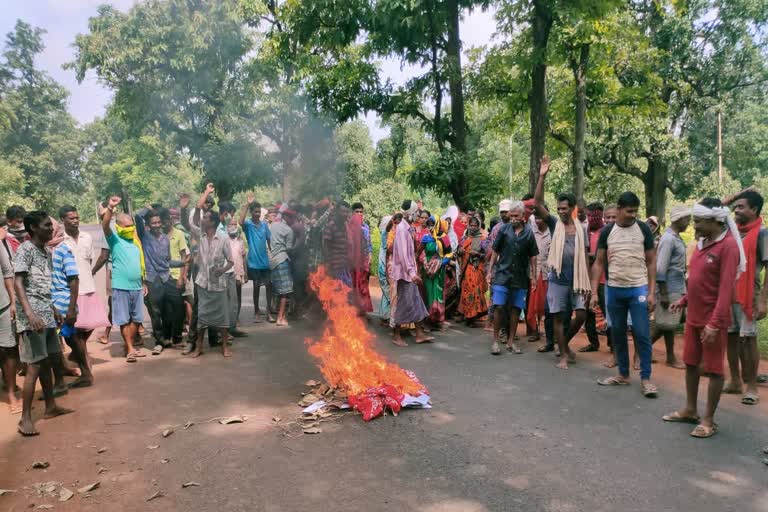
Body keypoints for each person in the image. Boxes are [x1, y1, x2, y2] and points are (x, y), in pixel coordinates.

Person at [662, 198, 744, 438]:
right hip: (694, 318)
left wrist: (715, 324)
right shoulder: (701, 244)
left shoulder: (727, 247)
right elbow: (698, 281)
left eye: (698, 221)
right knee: (690, 363)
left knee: (714, 370)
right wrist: (685, 300)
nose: (694, 225)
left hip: (713, 322)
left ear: (714, 221)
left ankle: (708, 419)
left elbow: (726, 289)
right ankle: (690, 409)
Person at [591, 192, 658, 398]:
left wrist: (651, 292)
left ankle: (646, 378)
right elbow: (599, 262)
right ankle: (623, 374)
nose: (633, 215)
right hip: (614, 289)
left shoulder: (643, 229)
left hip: (637, 289)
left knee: (641, 333)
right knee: (617, 333)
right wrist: (594, 291)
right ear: (619, 209)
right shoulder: (607, 231)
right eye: (629, 211)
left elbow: (651, 262)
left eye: (636, 211)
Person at [15, 211, 74, 436]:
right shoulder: (25, 250)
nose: (52, 229)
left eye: (51, 225)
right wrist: (29, 313)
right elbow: (19, 283)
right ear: (33, 228)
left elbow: (42, 286)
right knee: (34, 366)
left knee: (49, 361)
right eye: (47, 225)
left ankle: (51, 407)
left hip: (46, 315)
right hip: (32, 319)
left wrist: (53, 309)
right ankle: (25, 419)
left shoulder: (47, 252)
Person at [534, 156, 591, 369]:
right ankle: (564, 355)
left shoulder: (580, 229)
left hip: (576, 280)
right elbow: (538, 204)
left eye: (564, 208)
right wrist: (542, 176)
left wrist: (586, 282)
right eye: (559, 208)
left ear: (573, 208)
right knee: (557, 317)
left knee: (582, 315)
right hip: (557, 279)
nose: (561, 211)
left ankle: (563, 345)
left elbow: (584, 256)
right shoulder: (554, 224)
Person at [58, 206, 110, 387]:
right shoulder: (59, 241)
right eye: (70, 218)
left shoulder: (87, 238)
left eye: (77, 217)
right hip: (70, 292)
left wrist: (89, 275)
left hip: (88, 287)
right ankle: (85, 368)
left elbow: (88, 260)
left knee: (88, 327)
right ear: (62, 220)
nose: (75, 221)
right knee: (71, 334)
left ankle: (82, 362)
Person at [724, 190, 767, 405]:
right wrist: (731, 199)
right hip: (728, 293)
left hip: (749, 293)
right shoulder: (731, 230)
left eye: (741, 207)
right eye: (735, 206)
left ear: (754, 210)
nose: (736, 210)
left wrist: (763, 300)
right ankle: (734, 381)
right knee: (731, 336)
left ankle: (751, 387)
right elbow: (712, 210)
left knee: (748, 339)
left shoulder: (762, 233)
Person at [488, 201, 538, 355]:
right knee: (499, 307)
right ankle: (495, 341)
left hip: (520, 277)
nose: (513, 218)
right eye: (511, 216)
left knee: (516, 309)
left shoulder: (529, 233)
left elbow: (533, 256)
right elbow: (495, 252)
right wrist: (490, 271)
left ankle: (510, 342)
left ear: (523, 216)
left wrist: (534, 276)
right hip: (502, 275)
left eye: (516, 216)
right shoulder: (504, 230)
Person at [102, 196, 147, 364]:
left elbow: (140, 263)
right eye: (127, 226)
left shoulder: (136, 241)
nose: (130, 228)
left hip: (136, 286)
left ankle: (130, 346)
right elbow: (105, 225)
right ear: (119, 227)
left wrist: (143, 282)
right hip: (121, 286)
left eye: (131, 226)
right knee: (124, 320)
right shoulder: (114, 239)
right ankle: (129, 348)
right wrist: (110, 208)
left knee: (137, 319)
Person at [191, 187, 234, 358]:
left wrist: (222, 270)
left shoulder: (223, 238)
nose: (203, 219)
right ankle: (199, 347)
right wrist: (206, 193)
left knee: (222, 317)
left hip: (218, 283)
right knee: (202, 316)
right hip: (203, 282)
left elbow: (231, 261)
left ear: (213, 222)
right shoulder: (200, 234)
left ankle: (225, 346)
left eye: (206, 218)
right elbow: (195, 214)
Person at [651, 205, 691, 370]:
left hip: (677, 286)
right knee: (664, 324)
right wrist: (665, 293)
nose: (689, 222)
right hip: (670, 288)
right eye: (687, 219)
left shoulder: (675, 237)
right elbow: (661, 268)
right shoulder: (668, 239)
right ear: (680, 219)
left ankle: (670, 356)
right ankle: (641, 349)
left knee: (670, 323)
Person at [391, 200, 434, 346]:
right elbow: (403, 255)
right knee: (405, 303)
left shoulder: (407, 227)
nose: (418, 214)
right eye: (416, 211)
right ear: (410, 212)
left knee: (416, 302)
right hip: (405, 275)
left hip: (409, 273)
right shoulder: (402, 229)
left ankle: (419, 334)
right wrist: (411, 274)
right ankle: (397, 336)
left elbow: (410, 254)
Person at [136, 209, 174, 355]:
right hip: (152, 279)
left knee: (169, 311)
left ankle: (167, 338)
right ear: (148, 225)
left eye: (159, 222)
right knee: (155, 312)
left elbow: (168, 260)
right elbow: (137, 217)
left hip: (166, 277)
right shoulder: (144, 237)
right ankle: (159, 341)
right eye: (154, 223)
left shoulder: (165, 238)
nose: (157, 225)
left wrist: (184, 263)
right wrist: (149, 209)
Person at [240, 193, 272, 323]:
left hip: (265, 261)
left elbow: (269, 240)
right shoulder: (248, 225)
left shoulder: (264, 225)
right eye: (255, 212)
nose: (258, 214)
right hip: (253, 262)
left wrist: (272, 253)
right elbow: (240, 222)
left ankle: (269, 312)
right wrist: (247, 204)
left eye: (259, 211)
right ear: (251, 212)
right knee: (256, 286)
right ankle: (256, 311)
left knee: (269, 286)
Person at [161, 208, 189, 346]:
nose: (164, 224)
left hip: (175, 275)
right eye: (162, 222)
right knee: (165, 309)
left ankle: (177, 337)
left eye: (166, 221)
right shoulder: (159, 235)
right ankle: (166, 337)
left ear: (171, 220)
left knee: (178, 308)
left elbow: (184, 256)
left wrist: (182, 276)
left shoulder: (179, 234)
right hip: (161, 277)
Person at [582, 202, 608, 352]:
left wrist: (591, 256)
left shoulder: (606, 231)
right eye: (589, 215)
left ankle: (613, 345)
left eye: (593, 215)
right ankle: (593, 343)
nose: (591, 218)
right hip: (588, 279)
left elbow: (603, 256)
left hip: (604, 279)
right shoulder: (586, 231)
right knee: (588, 313)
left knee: (607, 313)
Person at [0, 230, 18, 413]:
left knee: (8, 350)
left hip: (3, 304)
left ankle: (12, 393)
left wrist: (13, 301)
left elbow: (7, 272)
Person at [528, 213, 553, 349]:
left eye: (540, 217)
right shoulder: (532, 233)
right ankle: (535, 331)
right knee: (534, 305)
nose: (538, 220)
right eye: (536, 218)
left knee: (548, 306)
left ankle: (551, 335)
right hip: (535, 273)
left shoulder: (553, 232)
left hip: (549, 274)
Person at [458, 216, 488, 327]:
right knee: (467, 292)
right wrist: (461, 251)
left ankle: (473, 316)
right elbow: (459, 251)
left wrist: (477, 254)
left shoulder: (483, 239)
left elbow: (487, 255)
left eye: (475, 225)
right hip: (466, 269)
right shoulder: (465, 238)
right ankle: (467, 316)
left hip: (476, 268)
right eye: (471, 225)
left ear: (479, 226)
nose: (473, 227)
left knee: (475, 292)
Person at [420, 216, 448, 328]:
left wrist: (440, 263)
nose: (430, 228)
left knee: (438, 293)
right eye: (429, 225)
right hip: (427, 271)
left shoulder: (444, 238)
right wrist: (425, 263)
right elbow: (418, 253)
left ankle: (437, 319)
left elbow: (449, 254)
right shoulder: (426, 238)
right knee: (429, 293)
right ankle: (429, 319)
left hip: (439, 271)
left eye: (433, 225)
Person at [269, 209, 295, 327]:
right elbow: (289, 249)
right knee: (285, 292)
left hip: (273, 261)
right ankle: (280, 318)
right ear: (287, 217)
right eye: (292, 218)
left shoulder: (273, 225)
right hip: (283, 260)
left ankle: (278, 315)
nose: (293, 220)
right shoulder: (289, 230)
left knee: (278, 291)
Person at [349, 203, 373, 315]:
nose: (359, 214)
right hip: (352, 260)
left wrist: (370, 258)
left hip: (363, 260)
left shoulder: (366, 227)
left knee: (363, 284)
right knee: (353, 284)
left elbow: (369, 244)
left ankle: (363, 309)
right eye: (357, 211)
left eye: (361, 212)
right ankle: (353, 309)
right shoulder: (348, 226)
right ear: (352, 213)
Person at [227, 219, 247, 328]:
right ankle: (229, 319)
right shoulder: (225, 240)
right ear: (227, 226)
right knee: (229, 297)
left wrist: (246, 273)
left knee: (238, 296)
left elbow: (243, 257)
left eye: (235, 224)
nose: (233, 226)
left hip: (239, 272)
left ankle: (236, 317)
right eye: (231, 224)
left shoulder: (240, 241)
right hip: (228, 273)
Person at [378, 215, 393, 323]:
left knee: (387, 293)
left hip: (387, 268)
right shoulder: (385, 235)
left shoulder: (390, 237)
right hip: (384, 269)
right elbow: (387, 229)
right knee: (388, 293)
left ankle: (385, 316)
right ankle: (386, 317)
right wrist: (393, 221)